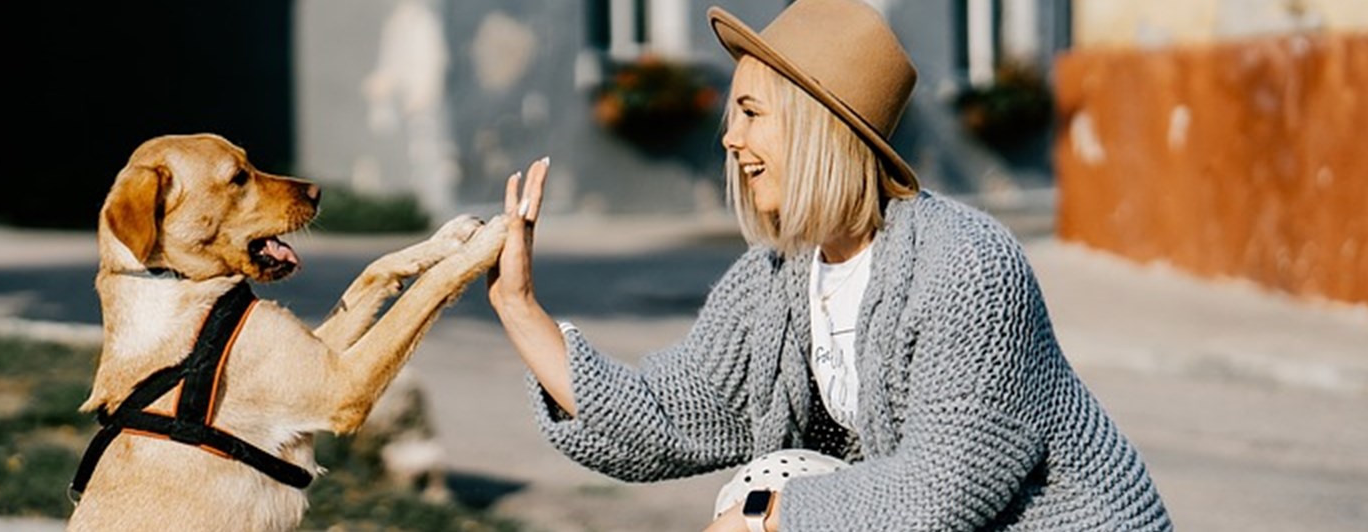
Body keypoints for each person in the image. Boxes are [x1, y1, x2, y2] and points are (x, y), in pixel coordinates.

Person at [485, 1, 1172, 530]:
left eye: (752, 112)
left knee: (778, 487)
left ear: (818, 124)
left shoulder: (968, 264)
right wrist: (519, 306)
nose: (730, 137)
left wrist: (767, 516)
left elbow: (944, 491)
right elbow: (668, 416)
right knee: (776, 474)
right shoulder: (778, 277)